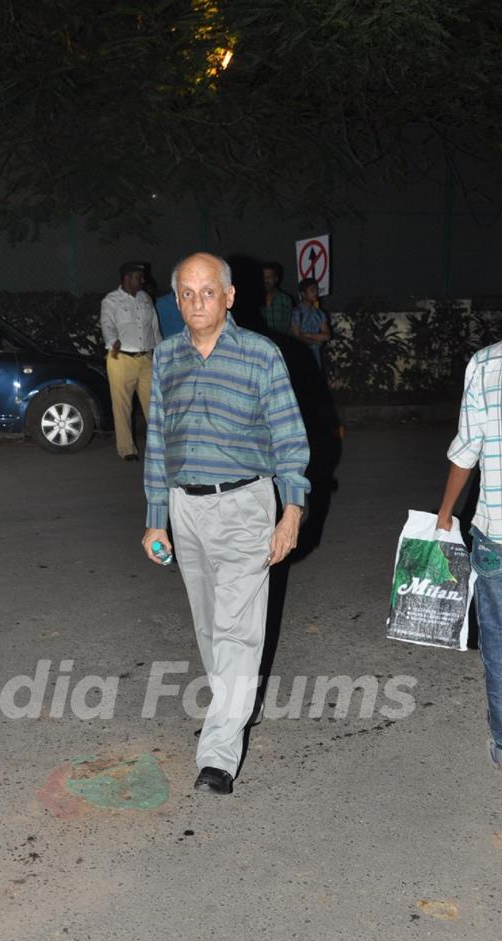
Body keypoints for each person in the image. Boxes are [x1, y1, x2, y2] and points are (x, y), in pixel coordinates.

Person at [142, 252, 310, 795]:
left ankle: (217, 753)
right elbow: (157, 442)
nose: (196, 303)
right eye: (186, 294)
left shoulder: (262, 356)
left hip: (245, 507)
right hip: (186, 508)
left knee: (238, 632)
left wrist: (292, 510)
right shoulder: (166, 356)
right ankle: (232, 708)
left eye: (207, 292)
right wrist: (155, 519)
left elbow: (290, 440)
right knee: (211, 627)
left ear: (230, 296)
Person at [436, 259, 502, 773]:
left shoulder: (487, 363)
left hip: (497, 531)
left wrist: (445, 512)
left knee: (500, 638)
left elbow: (465, 451)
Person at [100, 261, 161, 460]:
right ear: (127, 278)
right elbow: (107, 324)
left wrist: (159, 352)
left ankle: (159, 448)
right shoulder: (111, 300)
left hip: (146, 359)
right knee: (122, 406)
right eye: (138, 277)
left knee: (154, 405)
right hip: (121, 358)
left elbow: (154, 328)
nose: (142, 280)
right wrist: (112, 341)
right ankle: (126, 449)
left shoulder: (145, 299)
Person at [289, 277, 331, 370]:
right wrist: (316, 341)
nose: (316, 293)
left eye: (316, 290)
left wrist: (306, 334)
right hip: (300, 354)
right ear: (303, 294)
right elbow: (296, 336)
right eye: (312, 290)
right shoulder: (297, 312)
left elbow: (327, 336)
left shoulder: (320, 313)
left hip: (315, 356)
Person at [260, 262, 294, 337]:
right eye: (263, 277)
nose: (266, 280)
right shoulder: (253, 299)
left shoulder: (285, 300)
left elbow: (290, 327)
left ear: (276, 279)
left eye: (269, 277)